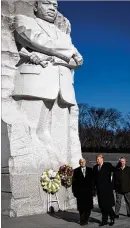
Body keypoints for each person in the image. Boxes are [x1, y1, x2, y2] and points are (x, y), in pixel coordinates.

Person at [13, 0, 83, 166]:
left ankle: (58, 170)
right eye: (47, 3)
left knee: (60, 140)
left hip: (62, 90)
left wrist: (54, 58)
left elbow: (79, 60)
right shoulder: (23, 21)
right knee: (28, 132)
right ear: (36, 7)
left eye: (55, 5)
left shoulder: (64, 35)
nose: (52, 8)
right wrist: (66, 52)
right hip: (35, 84)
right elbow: (36, 40)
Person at [93, 154, 115, 226]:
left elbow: (114, 169)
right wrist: (94, 189)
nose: (97, 160)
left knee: (107, 206)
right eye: (96, 159)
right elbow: (94, 180)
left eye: (98, 159)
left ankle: (112, 216)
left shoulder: (107, 165)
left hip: (107, 190)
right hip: (99, 190)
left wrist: (120, 164)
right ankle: (104, 221)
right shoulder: (95, 167)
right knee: (102, 206)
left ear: (102, 159)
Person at [72, 158, 94, 226]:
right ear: (79, 163)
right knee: (81, 208)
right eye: (81, 162)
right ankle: (82, 221)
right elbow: (74, 182)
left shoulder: (90, 170)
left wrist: (94, 191)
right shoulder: (76, 171)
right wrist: (74, 192)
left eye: (83, 162)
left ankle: (86, 219)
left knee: (88, 208)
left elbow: (93, 181)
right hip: (80, 193)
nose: (82, 163)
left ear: (85, 162)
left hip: (88, 193)